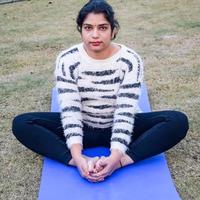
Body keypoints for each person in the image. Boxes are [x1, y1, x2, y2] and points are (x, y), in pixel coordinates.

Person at [12, 0, 189, 183]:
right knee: (22, 123)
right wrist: (78, 157)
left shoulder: (130, 60)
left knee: (177, 121)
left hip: (118, 126)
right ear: (80, 29)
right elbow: (70, 111)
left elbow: (125, 112)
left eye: (103, 28)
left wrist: (115, 159)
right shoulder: (67, 60)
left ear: (113, 30)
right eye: (88, 28)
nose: (95, 35)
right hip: (83, 124)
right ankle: (74, 161)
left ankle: (125, 160)